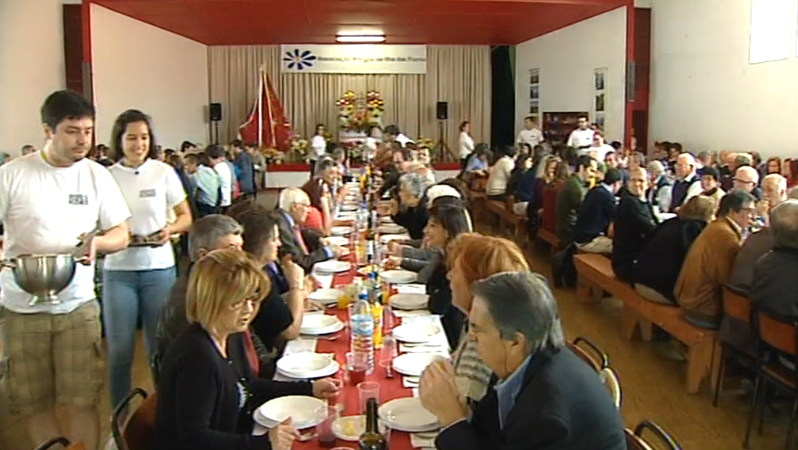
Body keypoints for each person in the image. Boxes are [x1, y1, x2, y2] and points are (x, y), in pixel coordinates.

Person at [0, 90, 131, 450]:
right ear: (48, 131)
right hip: (21, 306)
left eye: (88, 130)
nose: (83, 140)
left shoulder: (96, 176)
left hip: (77, 304)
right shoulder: (12, 175)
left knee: (83, 396)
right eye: (73, 131)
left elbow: (122, 233)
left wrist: (99, 244)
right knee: (32, 399)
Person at [155, 249, 340, 450]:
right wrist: (264, 443)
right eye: (238, 303)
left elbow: (248, 384)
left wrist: (308, 388)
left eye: (252, 300)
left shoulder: (229, 333)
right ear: (212, 301)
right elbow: (195, 439)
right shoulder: (197, 359)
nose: (249, 310)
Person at [420, 272, 626, 450]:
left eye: (477, 328)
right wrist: (462, 411)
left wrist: (451, 420)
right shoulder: (523, 361)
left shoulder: (544, 415)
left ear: (515, 342)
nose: (471, 337)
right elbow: (492, 433)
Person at [103, 109, 192, 409]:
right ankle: (120, 419)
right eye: (131, 138)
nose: (138, 144)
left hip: (158, 268)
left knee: (160, 348)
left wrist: (170, 230)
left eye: (143, 138)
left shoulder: (163, 172)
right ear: (119, 140)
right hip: (119, 270)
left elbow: (186, 217)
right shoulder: (107, 176)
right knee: (120, 351)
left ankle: (165, 412)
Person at [444, 234, 530, 406]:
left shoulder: (481, 345)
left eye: (455, 269)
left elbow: (461, 415)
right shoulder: (476, 323)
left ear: (475, 284)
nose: (448, 276)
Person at [155, 214, 244, 369]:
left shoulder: (222, 285)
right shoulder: (186, 306)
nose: (241, 256)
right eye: (231, 249)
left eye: (241, 247)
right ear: (203, 255)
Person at [675, 190, 756, 328]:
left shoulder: (717, 225)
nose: (753, 216)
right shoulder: (726, 236)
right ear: (732, 211)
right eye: (748, 211)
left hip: (688, 300)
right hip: (702, 309)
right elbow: (728, 280)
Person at [420, 205, 472, 348]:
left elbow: (437, 306)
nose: (425, 231)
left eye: (432, 226)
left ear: (448, 232)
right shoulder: (444, 255)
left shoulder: (456, 263)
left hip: (450, 338)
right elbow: (426, 283)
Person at [274, 188, 341, 272]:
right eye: (307, 206)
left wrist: (317, 239)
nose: (309, 211)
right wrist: (328, 251)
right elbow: (301, 263)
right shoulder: (281, 227)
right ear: (294, 207)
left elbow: (301, 232)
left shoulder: (285, 220)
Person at [612, 167, 658, 282]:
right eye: (633, 180)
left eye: (641, 181)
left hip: (638, 259)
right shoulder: (629, 203)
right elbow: (650, 228)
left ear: (648, 184)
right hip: (627, 265)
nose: (637, 184)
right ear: (627, 183)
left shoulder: (645, 203)